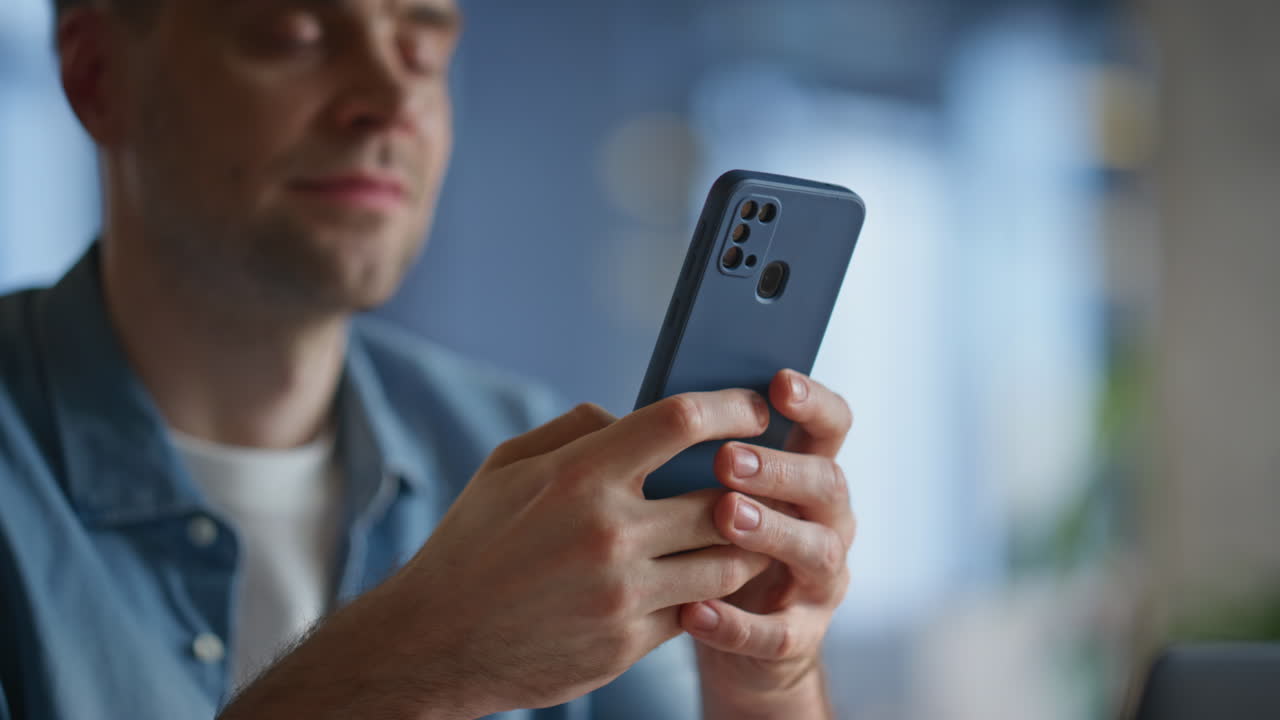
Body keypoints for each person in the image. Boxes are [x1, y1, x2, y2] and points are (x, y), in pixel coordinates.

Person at [0, 0, 857, 718]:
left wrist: (765, 683)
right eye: (295, 35)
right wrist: (416, 663)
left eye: (422, 43)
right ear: (97, 74)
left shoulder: (531, 458)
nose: (390, 97)